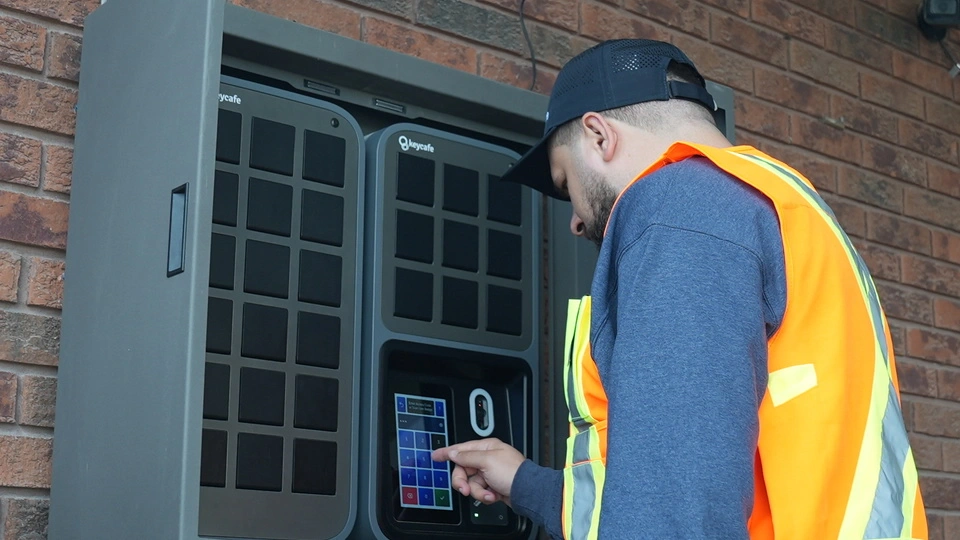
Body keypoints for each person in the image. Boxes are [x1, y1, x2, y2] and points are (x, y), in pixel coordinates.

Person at [431, 39, 928, 539]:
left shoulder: (682, 207)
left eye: (566, 183)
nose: (575, 222)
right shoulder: (784, 206)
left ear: (599, 136)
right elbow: (694, 477)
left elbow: (674, 517)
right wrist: (526, 485)